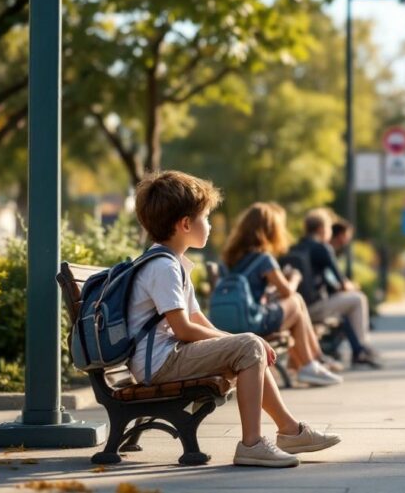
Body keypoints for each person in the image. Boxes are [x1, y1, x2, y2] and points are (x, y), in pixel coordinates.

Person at [129, 171, 339, 468]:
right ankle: (252, 444)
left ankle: (290, 431)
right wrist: (245, 342)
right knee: (249, 346)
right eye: (206, 217)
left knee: (249, 345)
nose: (211, 224)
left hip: (165, 358)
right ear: (186, 224)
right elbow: (184, 329)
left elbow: (197, 318)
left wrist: (242, 340)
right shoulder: (163, 267)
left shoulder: (173, 263)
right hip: (161, 365)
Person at [221, 202, 342, 387]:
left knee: (293, 307)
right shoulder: (264, 258)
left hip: (229, 322)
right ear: (270, 230)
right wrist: (294, 277)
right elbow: (287, 291)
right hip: (252, 323)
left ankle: (312, 363)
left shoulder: (232, 256)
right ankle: (311, 364)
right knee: (295, 301)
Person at [291, 209, 382, 368]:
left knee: (345, 306)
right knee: (358, 299)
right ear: (321, 229)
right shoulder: (322, 248)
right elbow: (343, 284)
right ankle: (361, 348)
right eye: (328, 229)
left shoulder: (295, 247)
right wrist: (353, 286)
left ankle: (356, 349)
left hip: (296, 307)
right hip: (314, 307)